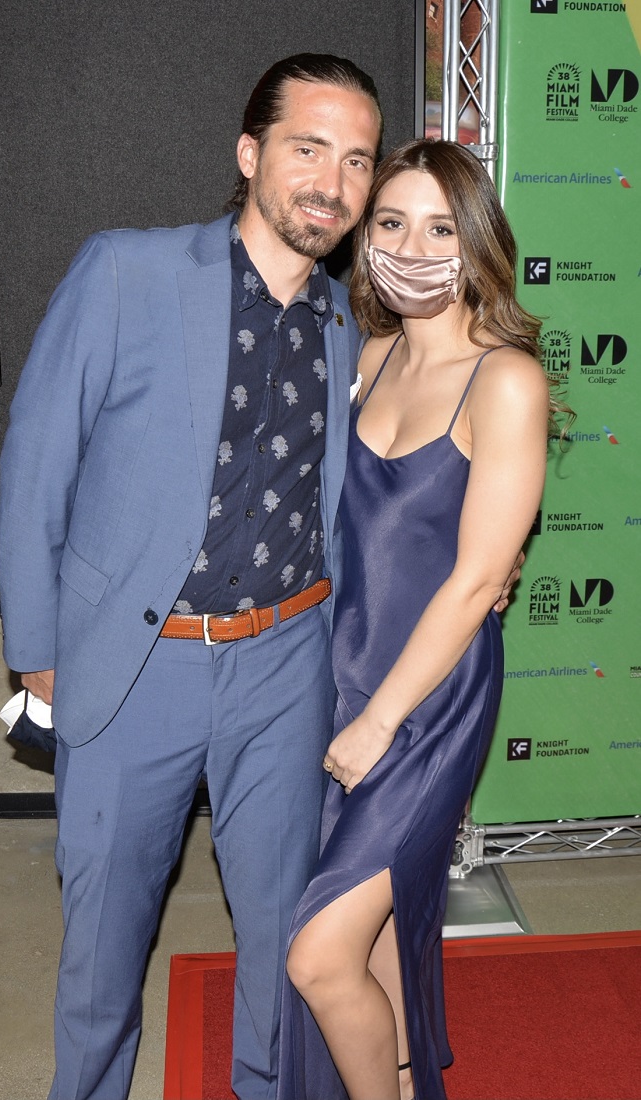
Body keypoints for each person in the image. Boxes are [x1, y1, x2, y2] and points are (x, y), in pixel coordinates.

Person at [0, 53, 383, 1100]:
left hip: (287, 663)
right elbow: (38, 460)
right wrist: (35, 660)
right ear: (249, 153)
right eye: (307, 148)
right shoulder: (127, 271)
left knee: (280, 938)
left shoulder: (345, 323)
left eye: (354, 161)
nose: (330, 183)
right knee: (102, 951)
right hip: (135, 668)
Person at [279, 139, 565, 1100]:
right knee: (380, 923)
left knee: (319, 955)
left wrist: (377, 720)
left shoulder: (507, 381)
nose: (411, 245)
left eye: (440, 226)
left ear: (476, 239)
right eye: (390, 222)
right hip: (337, 672)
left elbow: (478, 577)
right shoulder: (367, 354)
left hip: (427, 699)